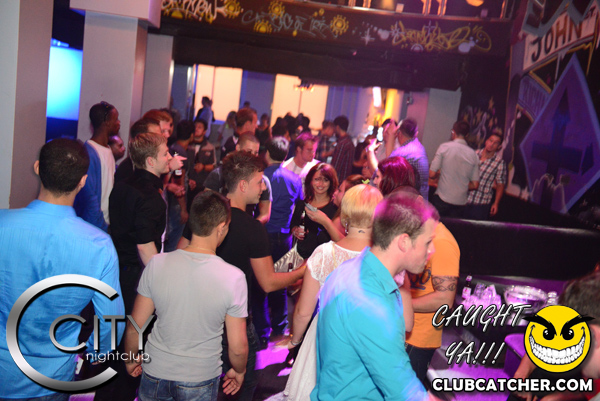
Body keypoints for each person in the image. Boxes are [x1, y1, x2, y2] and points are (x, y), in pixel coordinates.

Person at [0, 138, 124, 400]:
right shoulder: (99, 245)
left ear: (37, 168)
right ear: (83, 181)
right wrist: (94, 354)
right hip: (53, 379)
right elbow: (112, 322)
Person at [312, 192, 440, 401]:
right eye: (428, 242)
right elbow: (407, 395)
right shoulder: (371, 303)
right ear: (404, 242)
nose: (432, 250)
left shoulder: (350, 269)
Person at [124, 190, 248, 401]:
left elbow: (134, 327)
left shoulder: (157, 264)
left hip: (155, 371)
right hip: (200, 377)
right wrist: (239, 370)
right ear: (221, 227)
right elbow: (237, 348)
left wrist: (130, 359)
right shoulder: (234, 277)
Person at [284, 185, 401, 400]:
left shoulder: (324, 254)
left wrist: (295, 340)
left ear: (345, 214)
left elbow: (302, 312)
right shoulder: (389, 259)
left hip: (326, 337)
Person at [254, 137, 303, 346]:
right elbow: (300, 205)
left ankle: (261, 331)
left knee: (260, 283)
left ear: (266, 153)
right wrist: (292, 225)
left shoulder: (260, 177)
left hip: (262, 234)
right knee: (280, 282)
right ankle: (279, 327)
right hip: (284, 236)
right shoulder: (294, 178)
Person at [204, 133, 272, 225]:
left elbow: (265, 213)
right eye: (249, 152)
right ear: (238, 148)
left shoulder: (262, 181)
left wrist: (252, 227)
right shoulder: (218, 174)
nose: (252, 155)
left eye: (256, 153)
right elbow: (205, 204)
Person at [74, 101, 121, 231]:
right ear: (107, 122)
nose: (119, 123)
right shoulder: (89, 153)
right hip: (94, 227)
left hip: (105, 224)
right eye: (116, 119)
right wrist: (101, 226)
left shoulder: (108, 150)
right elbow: (89, 197)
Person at [429, 120, 480, 218]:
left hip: (442, 198)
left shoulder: (444, 147)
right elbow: (475, 185)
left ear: (453, 132)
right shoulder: (473, 154)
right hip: (460, 203)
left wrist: (441, 175)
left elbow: (431, 174)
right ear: (467, 135)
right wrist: (461, 184)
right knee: (453, 227)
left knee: (437, 226)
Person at [290, 163, 341, 260]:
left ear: (331, 182)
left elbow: (340, 239)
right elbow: (293, 224)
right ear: (310, 181)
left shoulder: (335, 208)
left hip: (324, 260)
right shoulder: (302, 204)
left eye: (325, 180)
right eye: (317, 179)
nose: (321, 184)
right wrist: (295, 230)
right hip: (300, 257)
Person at [465, 131, 507, 220]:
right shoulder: (474, 155)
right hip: (464, 199)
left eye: (495, 143)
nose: (492, 144)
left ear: (499, 147)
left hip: (481, 204)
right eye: (491, 141)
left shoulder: (499, 163)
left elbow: (500, 184)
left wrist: (496, 203)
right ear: (486, 141)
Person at [114, 117, 162, 183]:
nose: (160, 140)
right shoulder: (129, 170)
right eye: (155, 136)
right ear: (140, 140)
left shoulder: (147, 164)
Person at [330, 115, 355, 182]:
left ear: (337, 127)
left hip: (338, 180)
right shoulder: (350, 142)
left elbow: (335, 166)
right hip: (345, 180)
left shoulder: (342, 144)